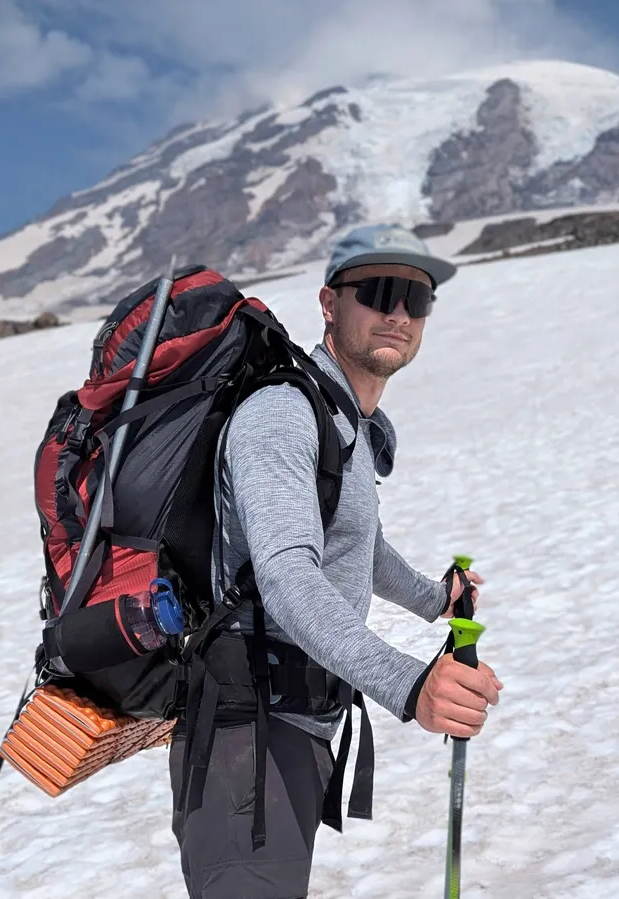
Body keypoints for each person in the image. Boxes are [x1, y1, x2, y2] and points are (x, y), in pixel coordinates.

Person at [168, 224, 503, 899]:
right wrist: (410, 684)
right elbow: (289, 574)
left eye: (416, 298)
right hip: (248, 736)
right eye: (378, 291)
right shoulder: (282, 414)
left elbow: (357, 541)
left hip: (296, 727)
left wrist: (435, 597)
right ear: (329, 302)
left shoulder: (340, 421)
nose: (398, 313)